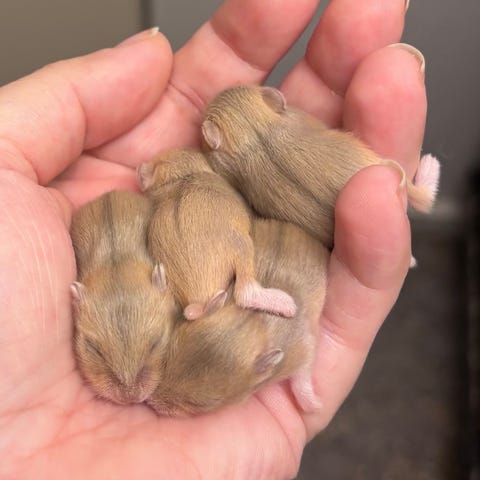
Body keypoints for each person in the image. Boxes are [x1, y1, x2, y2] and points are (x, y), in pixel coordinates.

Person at [0, 0, 426, 477]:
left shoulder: (173, 241)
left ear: (162, 281)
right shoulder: (164, 247)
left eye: (159, 345)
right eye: (96, 349)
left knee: (374, 209)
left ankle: (400, 200)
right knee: (377, 202)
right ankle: (404, 196)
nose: (134, 388)